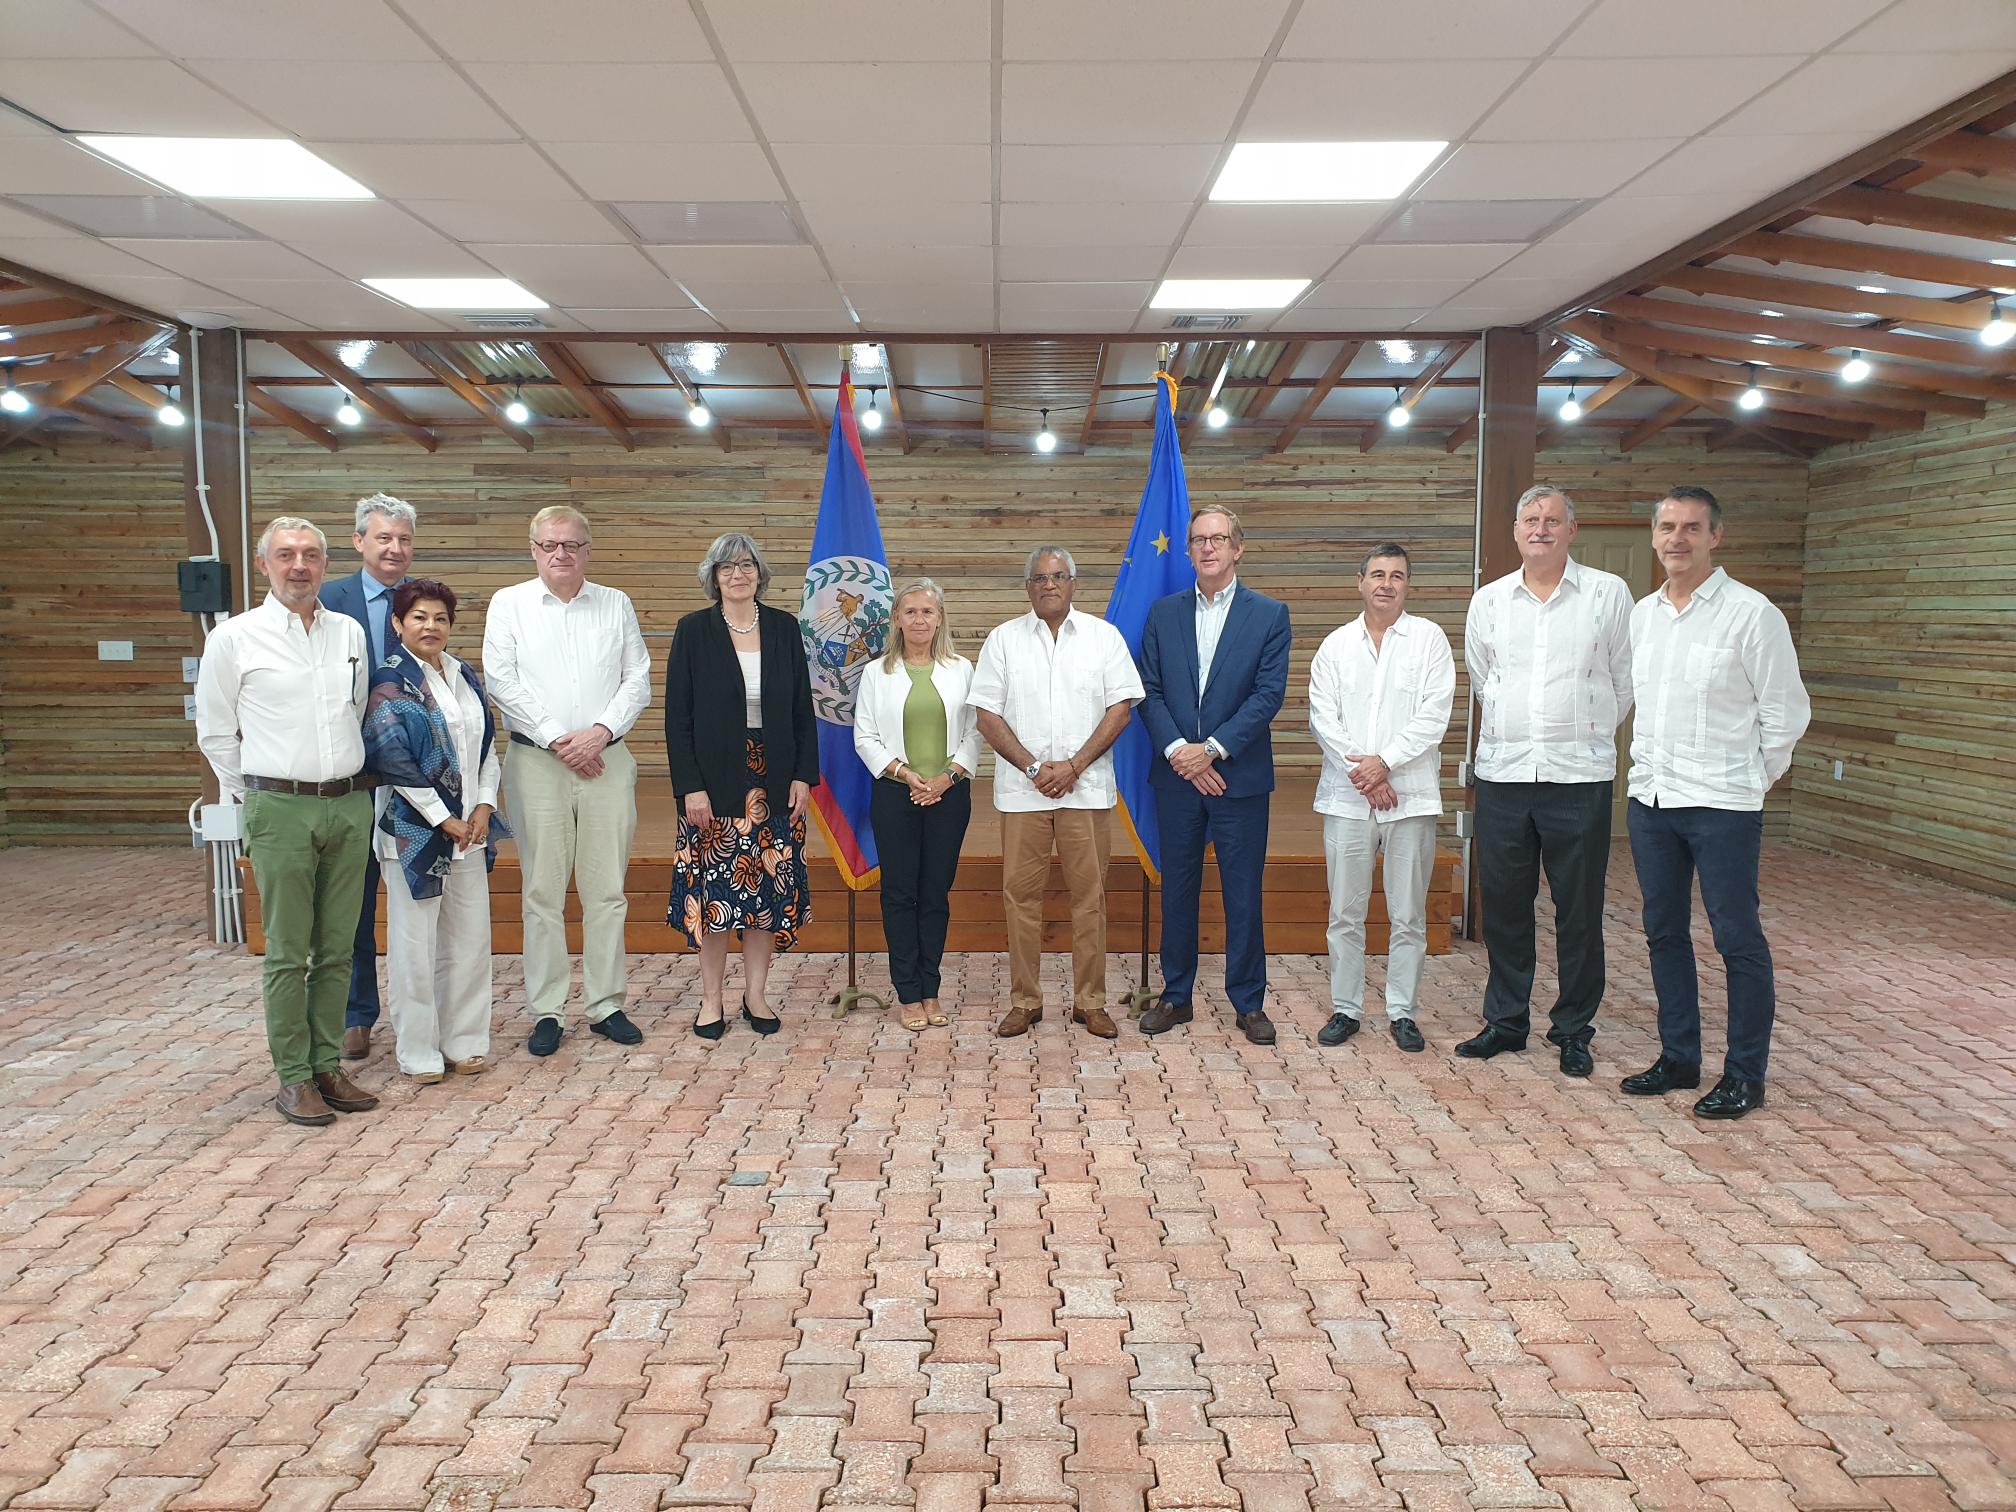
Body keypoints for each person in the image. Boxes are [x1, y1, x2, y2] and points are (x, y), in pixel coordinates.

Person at [1622, 486, 1810, 1120]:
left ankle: (1745, 1075)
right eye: (1668, 527)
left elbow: (1786, 712)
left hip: (1723, 805)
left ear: (1715, 536)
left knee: (1736, 938)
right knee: (1663, 932)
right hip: (1652, 799)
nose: (1677, 538)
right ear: (1655, 536)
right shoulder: (1643, 615)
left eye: (1692, 528)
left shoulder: (1752, 614)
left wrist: (1751, 781)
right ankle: (1679, 1057)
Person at [194, 517, 382, 1126]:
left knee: (337, 948)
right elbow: (216, 731)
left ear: (325, 564)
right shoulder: (235, 638)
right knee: (287, 951)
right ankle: (294, 1077)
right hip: (278, 806)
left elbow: (356, 710)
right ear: (263, 564)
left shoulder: (348, 632)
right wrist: (256, 797)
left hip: (348, 803)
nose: (299, 565)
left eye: (310, 555)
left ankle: (327, 1065)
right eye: (285, 555)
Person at [1458, 484, 1634, 1078]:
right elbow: (1485, 679)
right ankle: (1506, 1021)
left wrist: (1583, 730)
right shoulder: (1489, 601)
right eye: (1530, 519)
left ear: (1571, 530)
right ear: (1515, 531)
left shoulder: (1607, 594)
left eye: (1552, 520)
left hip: (1578, 776)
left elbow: (1624, 680)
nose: (1541, 528)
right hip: (1504, 774)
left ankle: (1573, 1029)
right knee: (1505, 907)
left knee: (1578, 910)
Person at [483, 505, 651, 1057]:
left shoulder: (615, 603)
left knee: (607, 891)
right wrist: (559, 739)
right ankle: (548, 1010)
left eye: (572, 545)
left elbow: (637, 678)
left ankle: (606, 1004)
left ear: (588, 550)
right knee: (542, 891)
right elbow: (501, 681)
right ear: (533, 550)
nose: (561, 554)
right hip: (537, 762)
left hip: (607, 760)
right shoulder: (509, 604)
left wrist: (599, 733)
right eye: (550, 545)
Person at [968, 547, 1144, 1039]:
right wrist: (1033, 767)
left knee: (1090, 898)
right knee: (1020, 898)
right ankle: (1025, 1001)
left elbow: (1121, 710)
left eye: (1059, 576)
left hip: (1085, 792)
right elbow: (986, 715)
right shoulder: (1003, 640)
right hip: (1023, 793)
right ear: (1028, 587)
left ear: (1074, 584)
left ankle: (1090, 1002)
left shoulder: (1104, 638)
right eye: (1040, 577)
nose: (1049, 584)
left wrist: (1074, 766)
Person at [1136, 508, 1292, 1045]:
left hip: (1238, 779)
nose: (1208, 547)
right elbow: (1148, 690)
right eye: (1199, 540)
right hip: (1177, 776)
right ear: (1188, 550)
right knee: (1177, 889)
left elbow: (1267, 695)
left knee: (1242, 894)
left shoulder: (1268, 615)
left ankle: (1249, 1002)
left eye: (1218, 539)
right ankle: (1175, 995)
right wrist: (1181, 752)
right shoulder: (1163, 613)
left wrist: (1212, 751)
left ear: (1237, 548)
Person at [664, 532, 817, 1039]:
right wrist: (690, 786)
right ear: (713, 576)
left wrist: (803, 774)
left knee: (765, 896)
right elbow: (677, 718)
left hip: (774, 780)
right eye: (726, 566)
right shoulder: (693, 630)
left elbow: (802, 709)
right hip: (714, 782)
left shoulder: (783, 627)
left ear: (760, 573)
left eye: (747, 565)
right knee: (716, 897)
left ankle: (756, 995)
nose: (737, 574)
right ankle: (711, 1000)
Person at [1308, 544, 1455, 1053]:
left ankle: (1402, 1011)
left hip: (1409, 797)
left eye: (1396, 575)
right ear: (1360, 582)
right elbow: (1323, 719)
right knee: (1344, 912)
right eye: (1377, 574)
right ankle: (1346, 1008)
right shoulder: (1335, 646)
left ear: (1408, 585)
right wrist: (1368, 775)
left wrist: (1385, 762)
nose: (1386, 584)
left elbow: (1434, 716)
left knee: (1408, 913)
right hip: (1348, 798)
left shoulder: (1429, 640)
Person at [362, 578, 507, 1084]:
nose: (431, 626)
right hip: (413, 834)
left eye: (440, 618)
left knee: (469, 942)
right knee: (414, 948)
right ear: (398, 623)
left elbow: (486, 747)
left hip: (470, 832)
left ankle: (464, 1042)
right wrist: (444, 819)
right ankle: (418, 1050)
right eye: (419, 617)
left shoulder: (464, 674)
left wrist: (484, 805)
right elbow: (392, 758)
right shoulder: (389, 682)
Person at [854, 579, 981, 1031]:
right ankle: (908, 993)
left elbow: (975, 732)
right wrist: (907, 775)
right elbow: (864, 736)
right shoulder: (876, 673)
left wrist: (947, 778)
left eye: (928, 611)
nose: (919, 619)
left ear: (940, 618)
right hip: (896, 794)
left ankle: (930, 989)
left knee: (934, 893)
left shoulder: (961, 669)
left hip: (950, 794)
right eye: (910, 611)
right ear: (896, 619)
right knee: (899, 893)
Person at [320, 492, 417, 1062]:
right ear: (358, 542)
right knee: (353, 900)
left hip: (411, 775)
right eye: (383, 538)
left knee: (415, 897)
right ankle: (357, 1014)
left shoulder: (424, 600)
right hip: (351, 773)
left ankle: (419, 1010)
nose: (394, 548)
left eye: (403, 539)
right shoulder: (328, 600)